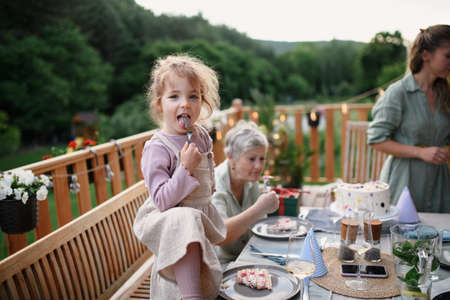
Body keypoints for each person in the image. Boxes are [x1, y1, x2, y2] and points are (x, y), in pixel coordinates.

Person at [133, 54, 226, 300]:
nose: (185, 104)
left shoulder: (201, 135)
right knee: (184, 222)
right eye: (174, 96)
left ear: (202, 102)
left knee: (203, 272)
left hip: (198, 220)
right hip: (172, 224)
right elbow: (163, 200)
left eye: (193, 96)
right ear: (160, 103)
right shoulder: (157, 147)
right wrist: (184, 168)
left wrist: (211, 185)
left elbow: (209, 161)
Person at [367, 24, 450, 212]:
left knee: (441, 238)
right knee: (402, 238)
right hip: (403, 183)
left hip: (440, 184)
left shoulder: (446, 95)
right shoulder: (398, 93)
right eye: (448, 56)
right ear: (426, 55)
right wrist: (420, 152)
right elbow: (376, 140)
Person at [212, 120, 279, 264]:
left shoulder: (250, 180)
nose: (258, 166)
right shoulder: (214, 183)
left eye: (262, 158)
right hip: (219, 266)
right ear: (231, 157)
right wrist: (259, 208)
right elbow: (220, 234)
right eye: (251, 159)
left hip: (248, 257)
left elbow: (259, 225)